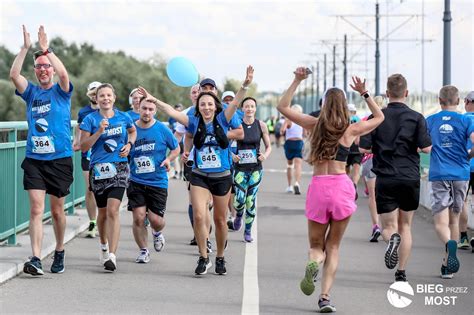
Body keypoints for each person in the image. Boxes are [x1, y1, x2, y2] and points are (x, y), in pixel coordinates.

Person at [277, 68, 384, 313]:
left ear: (323, 104)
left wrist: (297, 80)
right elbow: (379, 118)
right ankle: (325, 297)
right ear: (344, 105)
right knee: (333, 246)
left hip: (319, 187)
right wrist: (365, 93)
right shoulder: (350, 128)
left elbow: (282, 107)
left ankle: (314, 262)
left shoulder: (314, 124)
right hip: (341, 187)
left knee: (317, 246)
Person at [138, 65, 253, 276]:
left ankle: (220, 257)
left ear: (215, 105)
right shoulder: (193, 121)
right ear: (198, 106)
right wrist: (154, 100)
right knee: (199, 216)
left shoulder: (223, 119)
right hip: (200, 175)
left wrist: (245, 85)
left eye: (210, 104)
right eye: (203, 104)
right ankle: (203, 257)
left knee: (219, 219)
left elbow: (236, 102)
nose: (207, 107)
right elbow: (172, 112)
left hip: (222, 175)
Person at [10, 25, 74, 276]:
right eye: (39, 67)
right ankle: (36, 257)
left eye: (47, 66)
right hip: (35, 159)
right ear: (35, 72)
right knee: (37, 208)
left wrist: (46, 49)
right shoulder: (31, 93)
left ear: (52, 70)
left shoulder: (61, 92)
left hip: (59, 159)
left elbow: (65, 73)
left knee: (57, 211)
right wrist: (26, 48)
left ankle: (59, 249)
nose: (43, 70)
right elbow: (14, 74)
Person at [359, 74, 432, 283]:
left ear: (387, 94)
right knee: (406, 227)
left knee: (389, 227)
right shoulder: (417, 117)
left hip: (386, 177)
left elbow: (363, 147)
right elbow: (426, 147)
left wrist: (380, 147)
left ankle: (391, 241)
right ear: (406, 93)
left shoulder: (377, 116)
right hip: (409, 176)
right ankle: (401, 272)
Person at [80, 83, 137, 272]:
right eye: (101, 96)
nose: (105, 98)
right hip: (99, 170)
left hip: (119, 168)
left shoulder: (123, 117)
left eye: (108, 95)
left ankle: (112, 255)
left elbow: (133, 131)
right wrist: (99, 132)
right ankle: (103, 245)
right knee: (102, 213)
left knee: (113, 210)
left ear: (114, 98)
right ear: (96, 99)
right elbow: (84, 146)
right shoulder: (90, 119)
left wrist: (129, 145)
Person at [426, 85, 474, 279]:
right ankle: (448, 266)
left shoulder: (430, 120)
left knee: (440, 222)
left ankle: (449, 245)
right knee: (454, 219)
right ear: (459, 100)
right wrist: (469, 156)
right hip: (461, 174)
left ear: (439, 100)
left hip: (439, 173)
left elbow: (421, 145)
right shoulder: (464, 120)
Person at [128, 96, 179, 263]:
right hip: (136, 180)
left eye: (150, 109)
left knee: (156, 220)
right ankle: (143, 250)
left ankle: (157, 233)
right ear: (138, 108)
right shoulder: (131, 129)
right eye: (144, 108)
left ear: (155, 111)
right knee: (138, 217)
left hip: (157, 181)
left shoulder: (162, 129)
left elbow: (176, 148)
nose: (147, 112)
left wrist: (168, 160)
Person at [231, 97, 272, 242]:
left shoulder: (261, 125)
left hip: (255, 168)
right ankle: (238, 215)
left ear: (255, 108)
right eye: (246, 106)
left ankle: (247, 231)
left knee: (250, 199)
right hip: (240, 169)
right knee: (239, 200)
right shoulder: (237, 126)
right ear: (242, 109)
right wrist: (232, 155)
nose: (249, 109)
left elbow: (268, 146)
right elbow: (225, 144)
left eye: (252, 106)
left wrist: (265, 156)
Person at [73, 81, 101, 238]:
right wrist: (76, 141)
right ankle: (92, 222)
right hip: (87, 155)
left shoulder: (110, 111)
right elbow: (79, 128)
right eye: (93, 92)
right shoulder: (83, 112)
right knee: (90, 187)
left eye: (99, 92)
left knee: (102, 189)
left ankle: (104, 219)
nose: (96, 95)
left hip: (105, 155)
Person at [360, 95, 386, 242]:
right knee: (385, 195)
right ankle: (387, 226)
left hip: (370, 162)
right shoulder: (388, 119)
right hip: (388, 162)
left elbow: (361, 145)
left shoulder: (367, 120)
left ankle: (376, 225)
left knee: (372, 196)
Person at [459, 91, 474, 252]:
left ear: (468, 102)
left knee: (462, 201)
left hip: (464, 166)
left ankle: (463, 237)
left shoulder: (462, 120)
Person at [280, 105, 304, 195]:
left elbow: (282, 130)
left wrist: (283, 131)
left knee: (290, 165)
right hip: (299, 143)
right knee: (298, 165)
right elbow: (306, 133)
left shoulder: (288, 120)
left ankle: (289, 186)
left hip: (289, 143)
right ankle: (297, 183)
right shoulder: (302, 120)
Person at [346, 103, 363, 199]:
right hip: (356, 148)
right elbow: (361, 131)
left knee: (346, 168)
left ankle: (349, 185)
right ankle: (354, 184)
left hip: (346, 147)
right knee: (356, 167)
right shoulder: (358, 119)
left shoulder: (343, 120)